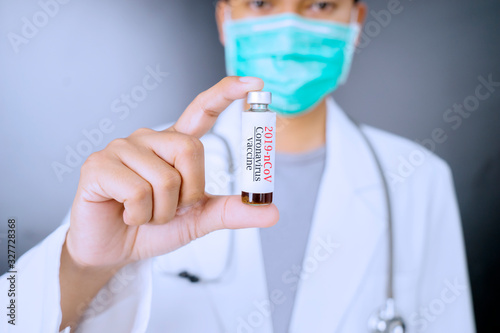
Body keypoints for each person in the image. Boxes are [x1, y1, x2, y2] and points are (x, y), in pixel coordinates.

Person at [1, 0, 476, 332]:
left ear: (357, 21)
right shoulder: (145, 170)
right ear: (225, 19)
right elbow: (14, 319)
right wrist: (81, 268)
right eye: (262, 2)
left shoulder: (417, 178)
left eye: (321, 6)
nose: (289, 29)